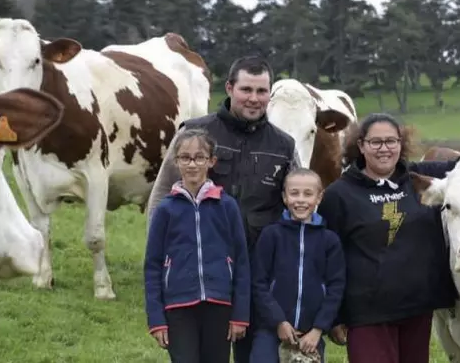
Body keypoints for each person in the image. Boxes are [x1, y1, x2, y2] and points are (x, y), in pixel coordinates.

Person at [145, 55, 301, 362]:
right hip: (203, 268)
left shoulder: (284, 146)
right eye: (246, 89)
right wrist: (163, 259)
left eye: (262, 91)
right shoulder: (194, 134)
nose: (254, 99)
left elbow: (298, 202)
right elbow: (162, 192)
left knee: (251, 353)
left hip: (257, 271)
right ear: (229, 88)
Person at [316, 113, 460, 363]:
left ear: (400, 144)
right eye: (375, 142)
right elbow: (327, 257)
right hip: (366, 313)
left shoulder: (419, 181)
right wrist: (335, 316)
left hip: (417, 309)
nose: (384, 148)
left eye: (391, 141)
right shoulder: (339, 195)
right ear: (361, 145)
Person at [143, 128, 250, 362]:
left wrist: (240, 315)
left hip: (220, 305)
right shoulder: (165, 210)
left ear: (211, 161)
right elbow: (152, 266)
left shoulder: (227, 206)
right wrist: (156, 319)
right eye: (185, 157)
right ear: (176, 161)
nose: (192, 164)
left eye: (199, 157)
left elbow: (241, 261)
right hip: (178, 307)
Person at [249, 168, 346, 363]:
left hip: (311, 334)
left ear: (319, 197)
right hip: (271, 331)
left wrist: (319, 328)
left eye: (308, 194)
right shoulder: (271, 235)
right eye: (294, 193)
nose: (300, 200)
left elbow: (336, 287)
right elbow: (258, 282)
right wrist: (278, 321)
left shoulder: (330, 241)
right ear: (285, 197)